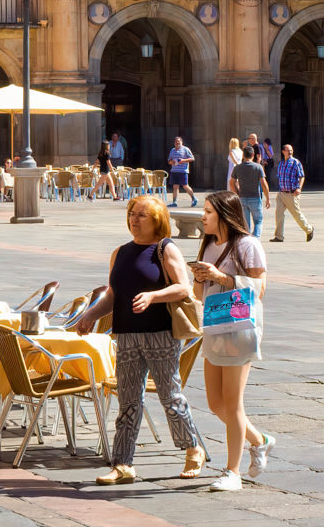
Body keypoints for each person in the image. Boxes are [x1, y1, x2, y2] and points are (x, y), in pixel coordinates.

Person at [89, 195, 208, 484]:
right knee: (128, 401)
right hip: (127, 335)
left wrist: (153, 296)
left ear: (157, 220)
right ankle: (123, 464)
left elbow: (183, 288)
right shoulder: (120, 252)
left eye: (142, 215)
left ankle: (193, 447)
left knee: (170, 395)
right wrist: (90, 316)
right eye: (132, 213)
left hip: (160, 334)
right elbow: (113, 295)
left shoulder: (165, 249)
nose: (134, 219)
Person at [192, 190, 272, 491]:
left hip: (240, 328)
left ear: (225, 215)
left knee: (233, 403)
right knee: (215, 403)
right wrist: (201, 278)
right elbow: (199, 296)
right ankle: (260, 441)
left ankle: (232, 472)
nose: (203, 217)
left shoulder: (248, 245)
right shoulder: (208, 246)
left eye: (209, 212)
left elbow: (260, 289)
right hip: (214, 325)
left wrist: (222, 277)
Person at [269, 143, 313, 243]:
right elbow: (280, 177)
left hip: (291, 193)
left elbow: (302, 176)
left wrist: (299, 188)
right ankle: (279, 236)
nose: (290, 152)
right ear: (283, 151)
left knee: (296, 214)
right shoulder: (281, 163)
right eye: (288, 150)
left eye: (291, 151)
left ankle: (309, 229)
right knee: (279, 214)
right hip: (281, 194)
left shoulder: (295, 162)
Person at [229, 144, 268, 238]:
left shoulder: (237, 167)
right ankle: (256, 240)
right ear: (253, 155)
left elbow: (231, 183)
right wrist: (268, 198)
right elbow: (264, 183)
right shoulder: (258, 167)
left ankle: (247, 242)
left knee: (246, 225)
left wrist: (237, 194)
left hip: (242, 198)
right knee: (258, 221)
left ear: (243, 155)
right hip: (255, 198)